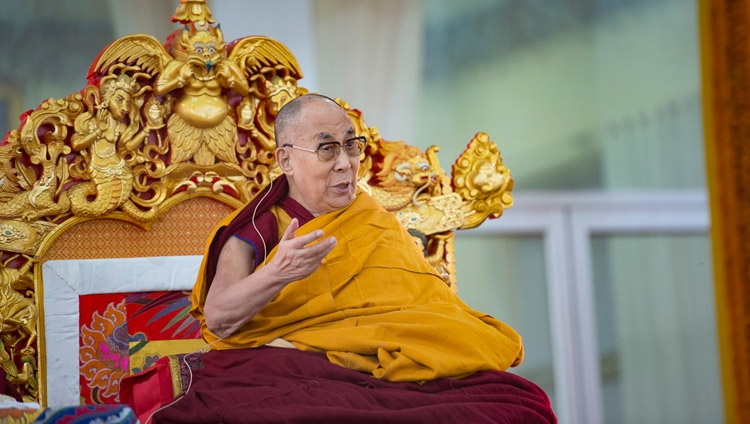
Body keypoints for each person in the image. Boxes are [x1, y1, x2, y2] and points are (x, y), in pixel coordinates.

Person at [142, 93, 556, 423]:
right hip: (300, 371)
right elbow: (218, 317)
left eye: (351, 146)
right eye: (327, 150)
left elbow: (422, 308)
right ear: (286, 159)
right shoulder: (259, 227)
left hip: (393, 367)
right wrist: (279, 273)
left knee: (516, 405)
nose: (346, 164)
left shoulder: (371, 219)